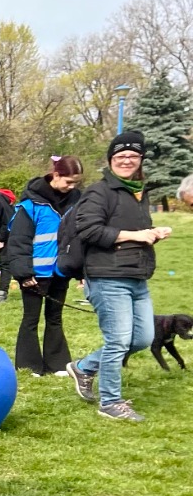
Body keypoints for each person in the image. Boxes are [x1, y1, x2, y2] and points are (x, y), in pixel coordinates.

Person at [64, 130, 174, 422]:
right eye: (120, 155)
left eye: (133, 156)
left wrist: (152, 234)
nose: (127, 160)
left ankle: (84, 367)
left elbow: (131, 233)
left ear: (140, 159)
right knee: (118, 340)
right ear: (111, 159)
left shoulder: (137, 191)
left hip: (137, 276)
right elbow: (89, 230)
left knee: (142, 338)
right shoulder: (100, 191)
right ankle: (110, 402)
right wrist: (137, 235)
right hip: (107, 275)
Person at [7, 155, 83, 376]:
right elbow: (19, 241)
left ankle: (57, 364)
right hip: (35, 274)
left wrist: (79, 270)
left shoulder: (76, 203)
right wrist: (23, 273)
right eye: (69, 181)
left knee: (55, 317)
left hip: (61, 271)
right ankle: (29, 365)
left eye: (76, 183)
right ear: (56, 175)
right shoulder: (30, 205)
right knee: (31, 319)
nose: (72, 187)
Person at [0, 187, 16, 302]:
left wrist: (1, 240)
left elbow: (8, 221)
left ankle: (2, 293)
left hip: (6, 234)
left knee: (5, 263)